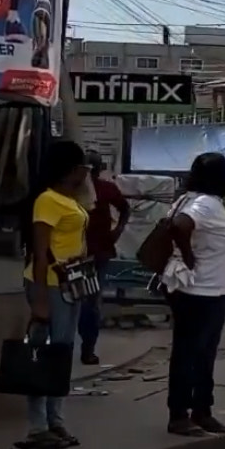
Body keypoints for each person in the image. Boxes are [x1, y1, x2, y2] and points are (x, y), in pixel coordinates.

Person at [20, 139, 89, 449]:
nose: (85, 171)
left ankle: (55, 420)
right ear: (69, 169)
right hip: (48, 285)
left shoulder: (69, 197)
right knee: (44, 356)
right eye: (81, 166)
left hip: (70, 285)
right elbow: (39, 249)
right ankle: (38, 426)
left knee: (62, 354)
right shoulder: (47, 201)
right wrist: (40, 301)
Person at [165, 151, 225, 438]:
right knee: (190, 355)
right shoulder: (205, 204)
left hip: (208, 291)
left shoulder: (198, 200)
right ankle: (179, 415)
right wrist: (189, 257)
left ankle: (201, 411)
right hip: (199, 292)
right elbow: (180, 226)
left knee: (203, 355)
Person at [77, 153, 130, 367]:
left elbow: (125, 209)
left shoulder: (106, 189)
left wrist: (117, 230)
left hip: (98, 253)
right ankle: (79, 345)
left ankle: (87, 348)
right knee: (80, 301)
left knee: (90, 302)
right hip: (76, 253)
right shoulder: (75, 190)